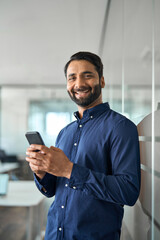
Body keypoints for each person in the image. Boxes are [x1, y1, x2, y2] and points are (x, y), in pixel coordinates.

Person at [26, 51, 141, 240]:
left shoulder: (121, 127)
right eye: (72, 78)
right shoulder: (65, 132)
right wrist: (41, 172)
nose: (79, 84)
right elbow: (54, 189)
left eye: (87, 76)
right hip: (55, 233)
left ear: (102, 81)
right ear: (67, 85)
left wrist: (70, 170)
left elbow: (128, 192)